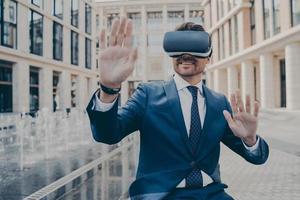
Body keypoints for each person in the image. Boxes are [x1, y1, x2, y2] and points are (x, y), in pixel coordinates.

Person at [86, 18, 269, 200]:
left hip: (211, 194)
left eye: (195, 49)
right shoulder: (147, 94)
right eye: (179, 48)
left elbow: (257, 158)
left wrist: (250, 139)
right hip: (160, 195)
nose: (186, 54)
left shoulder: (220, 103)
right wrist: (108, 89)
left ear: (209, 58)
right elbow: (107, 134)